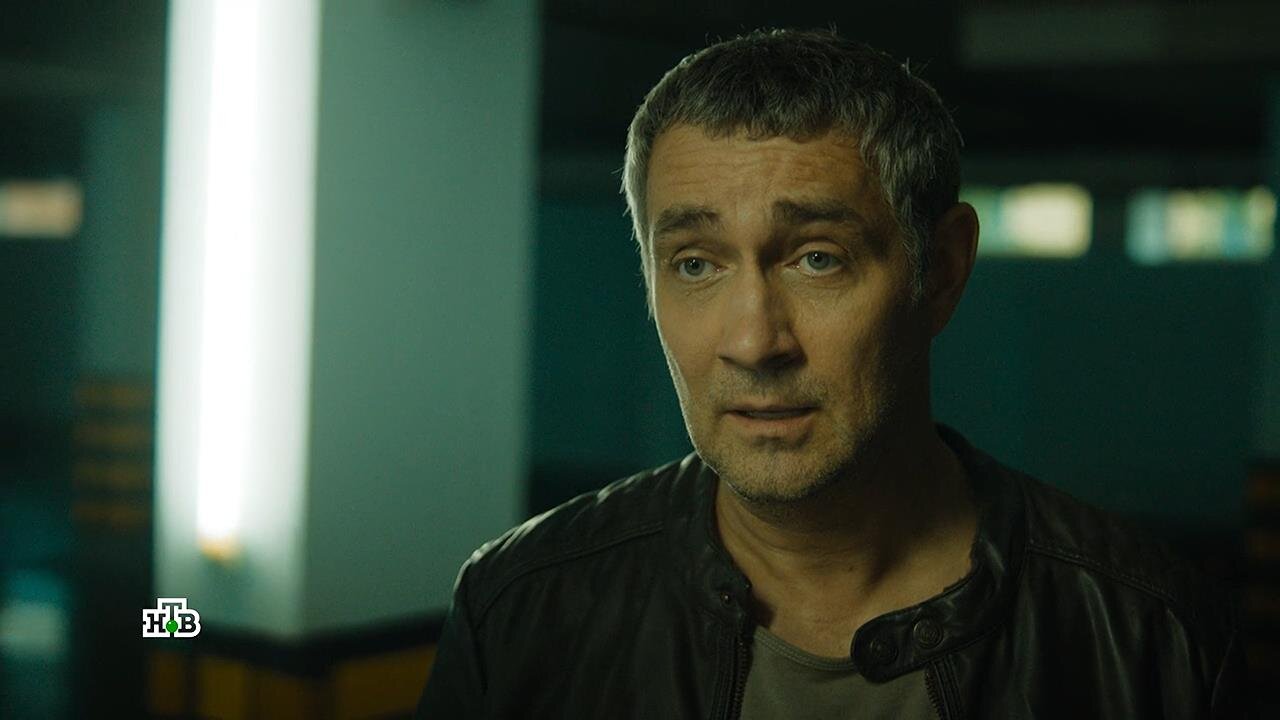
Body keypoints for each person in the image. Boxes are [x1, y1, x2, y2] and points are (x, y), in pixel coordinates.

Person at [416, 29, 1249, 719]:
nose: (754, 341)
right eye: (696, 264)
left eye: (818, 258)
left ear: (943, 270)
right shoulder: (518, 609)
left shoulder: (1150, 637)